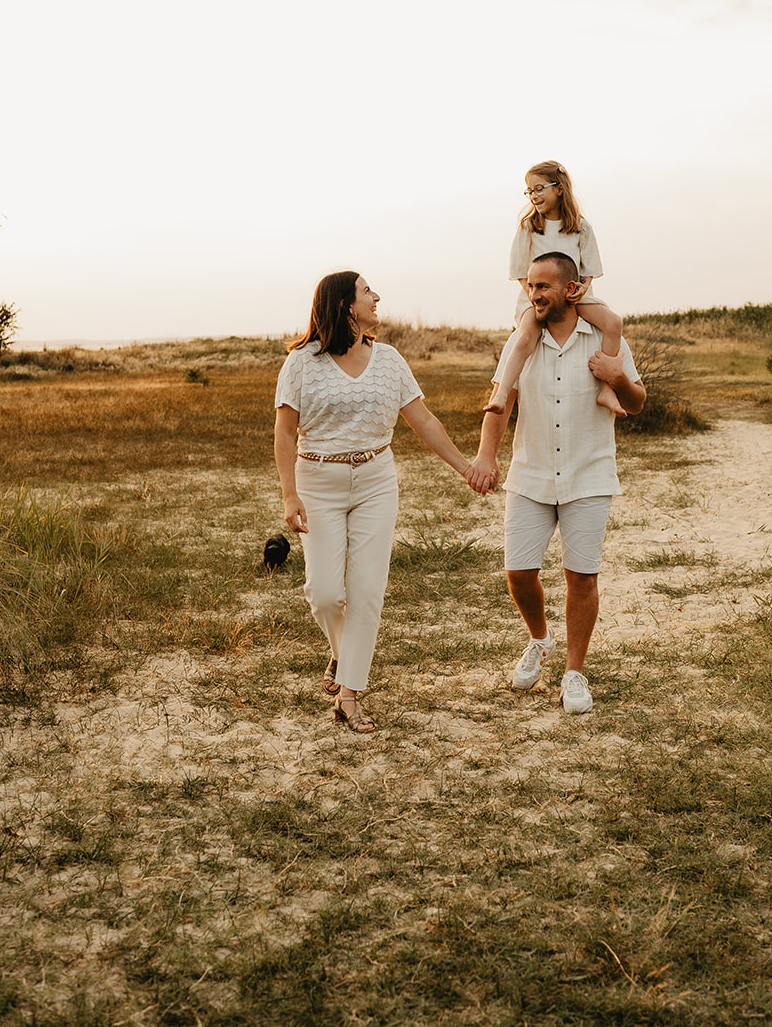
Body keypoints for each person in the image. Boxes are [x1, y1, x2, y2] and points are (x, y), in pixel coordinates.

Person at [275, 270, 482, 734]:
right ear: (346, 304)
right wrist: (289, 493)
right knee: (325, 593)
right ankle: (341, 653)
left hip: (375, 481)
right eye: (368, 291)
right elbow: (285, 431)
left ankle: (349, 695)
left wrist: (465, 467)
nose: (377, 297)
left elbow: (424, 422)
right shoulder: (301, 362)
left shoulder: (388, 360)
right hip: (318, 482)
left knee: (367, 590)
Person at [468, 252, 646, 714]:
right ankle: (539, 640)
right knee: (519, 572)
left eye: (543, 287)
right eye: (530, 286)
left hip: (589, 475)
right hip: (530, 474)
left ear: (572, 289)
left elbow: (638, 400)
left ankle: (574, 672)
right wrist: (487, 455)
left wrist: (618, 377)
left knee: (581, 577)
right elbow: (501, 401)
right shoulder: (521, 341)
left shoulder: (605, 338)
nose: (534, 295)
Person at [486, 160, 626, 417]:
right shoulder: (528, 227)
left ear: (559, 188)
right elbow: (519, 272)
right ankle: (503, 394)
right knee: (525, 337)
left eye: (539, 189)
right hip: (536, 299)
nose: (533, 196)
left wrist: (582, 289)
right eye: (529, 191)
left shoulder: (580, 228)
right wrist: (534, 294)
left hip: (574, 297)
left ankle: (606, 389)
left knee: (613, 322)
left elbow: (589, 270)